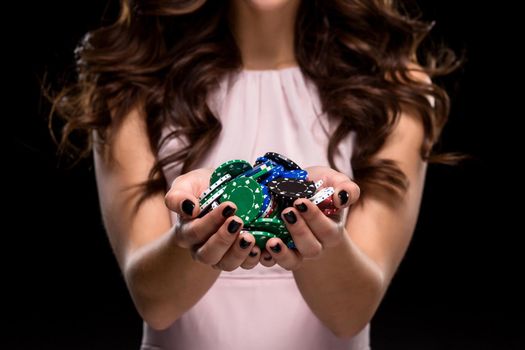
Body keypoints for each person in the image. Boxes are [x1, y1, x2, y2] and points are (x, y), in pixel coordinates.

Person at [53, 0, 457, 349]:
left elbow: (350, 315)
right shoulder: (129, 81)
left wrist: (319, 229)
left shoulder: (396, 91)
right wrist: (192, 236)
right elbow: (155, 304)